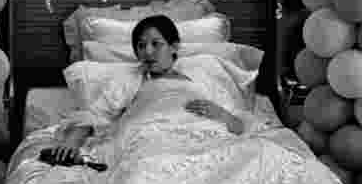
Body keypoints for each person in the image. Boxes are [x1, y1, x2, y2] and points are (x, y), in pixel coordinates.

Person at [46, 15, 245, 166]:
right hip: (150, 141)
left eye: (155, 44)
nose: (147, 52)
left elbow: (239, 125)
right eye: (141, 46)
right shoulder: (129, 79)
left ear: (174, 46)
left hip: (204, 139)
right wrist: (71, 143)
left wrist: (221, 114)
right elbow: (95, 116)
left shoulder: (203, 73)